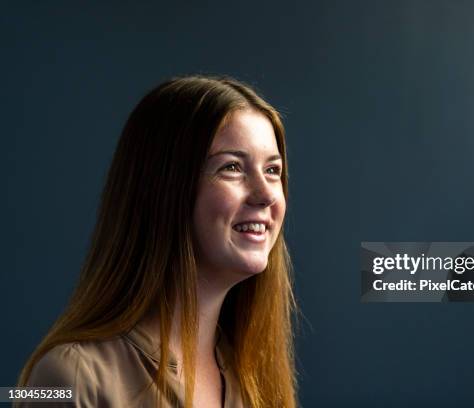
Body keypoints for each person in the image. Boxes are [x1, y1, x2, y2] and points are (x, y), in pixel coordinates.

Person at [17, 76, 297, 407]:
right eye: (232, 167)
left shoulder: (255, 376)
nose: (266, 195)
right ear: (163, 188)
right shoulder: (68, 377)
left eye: (273, 170)